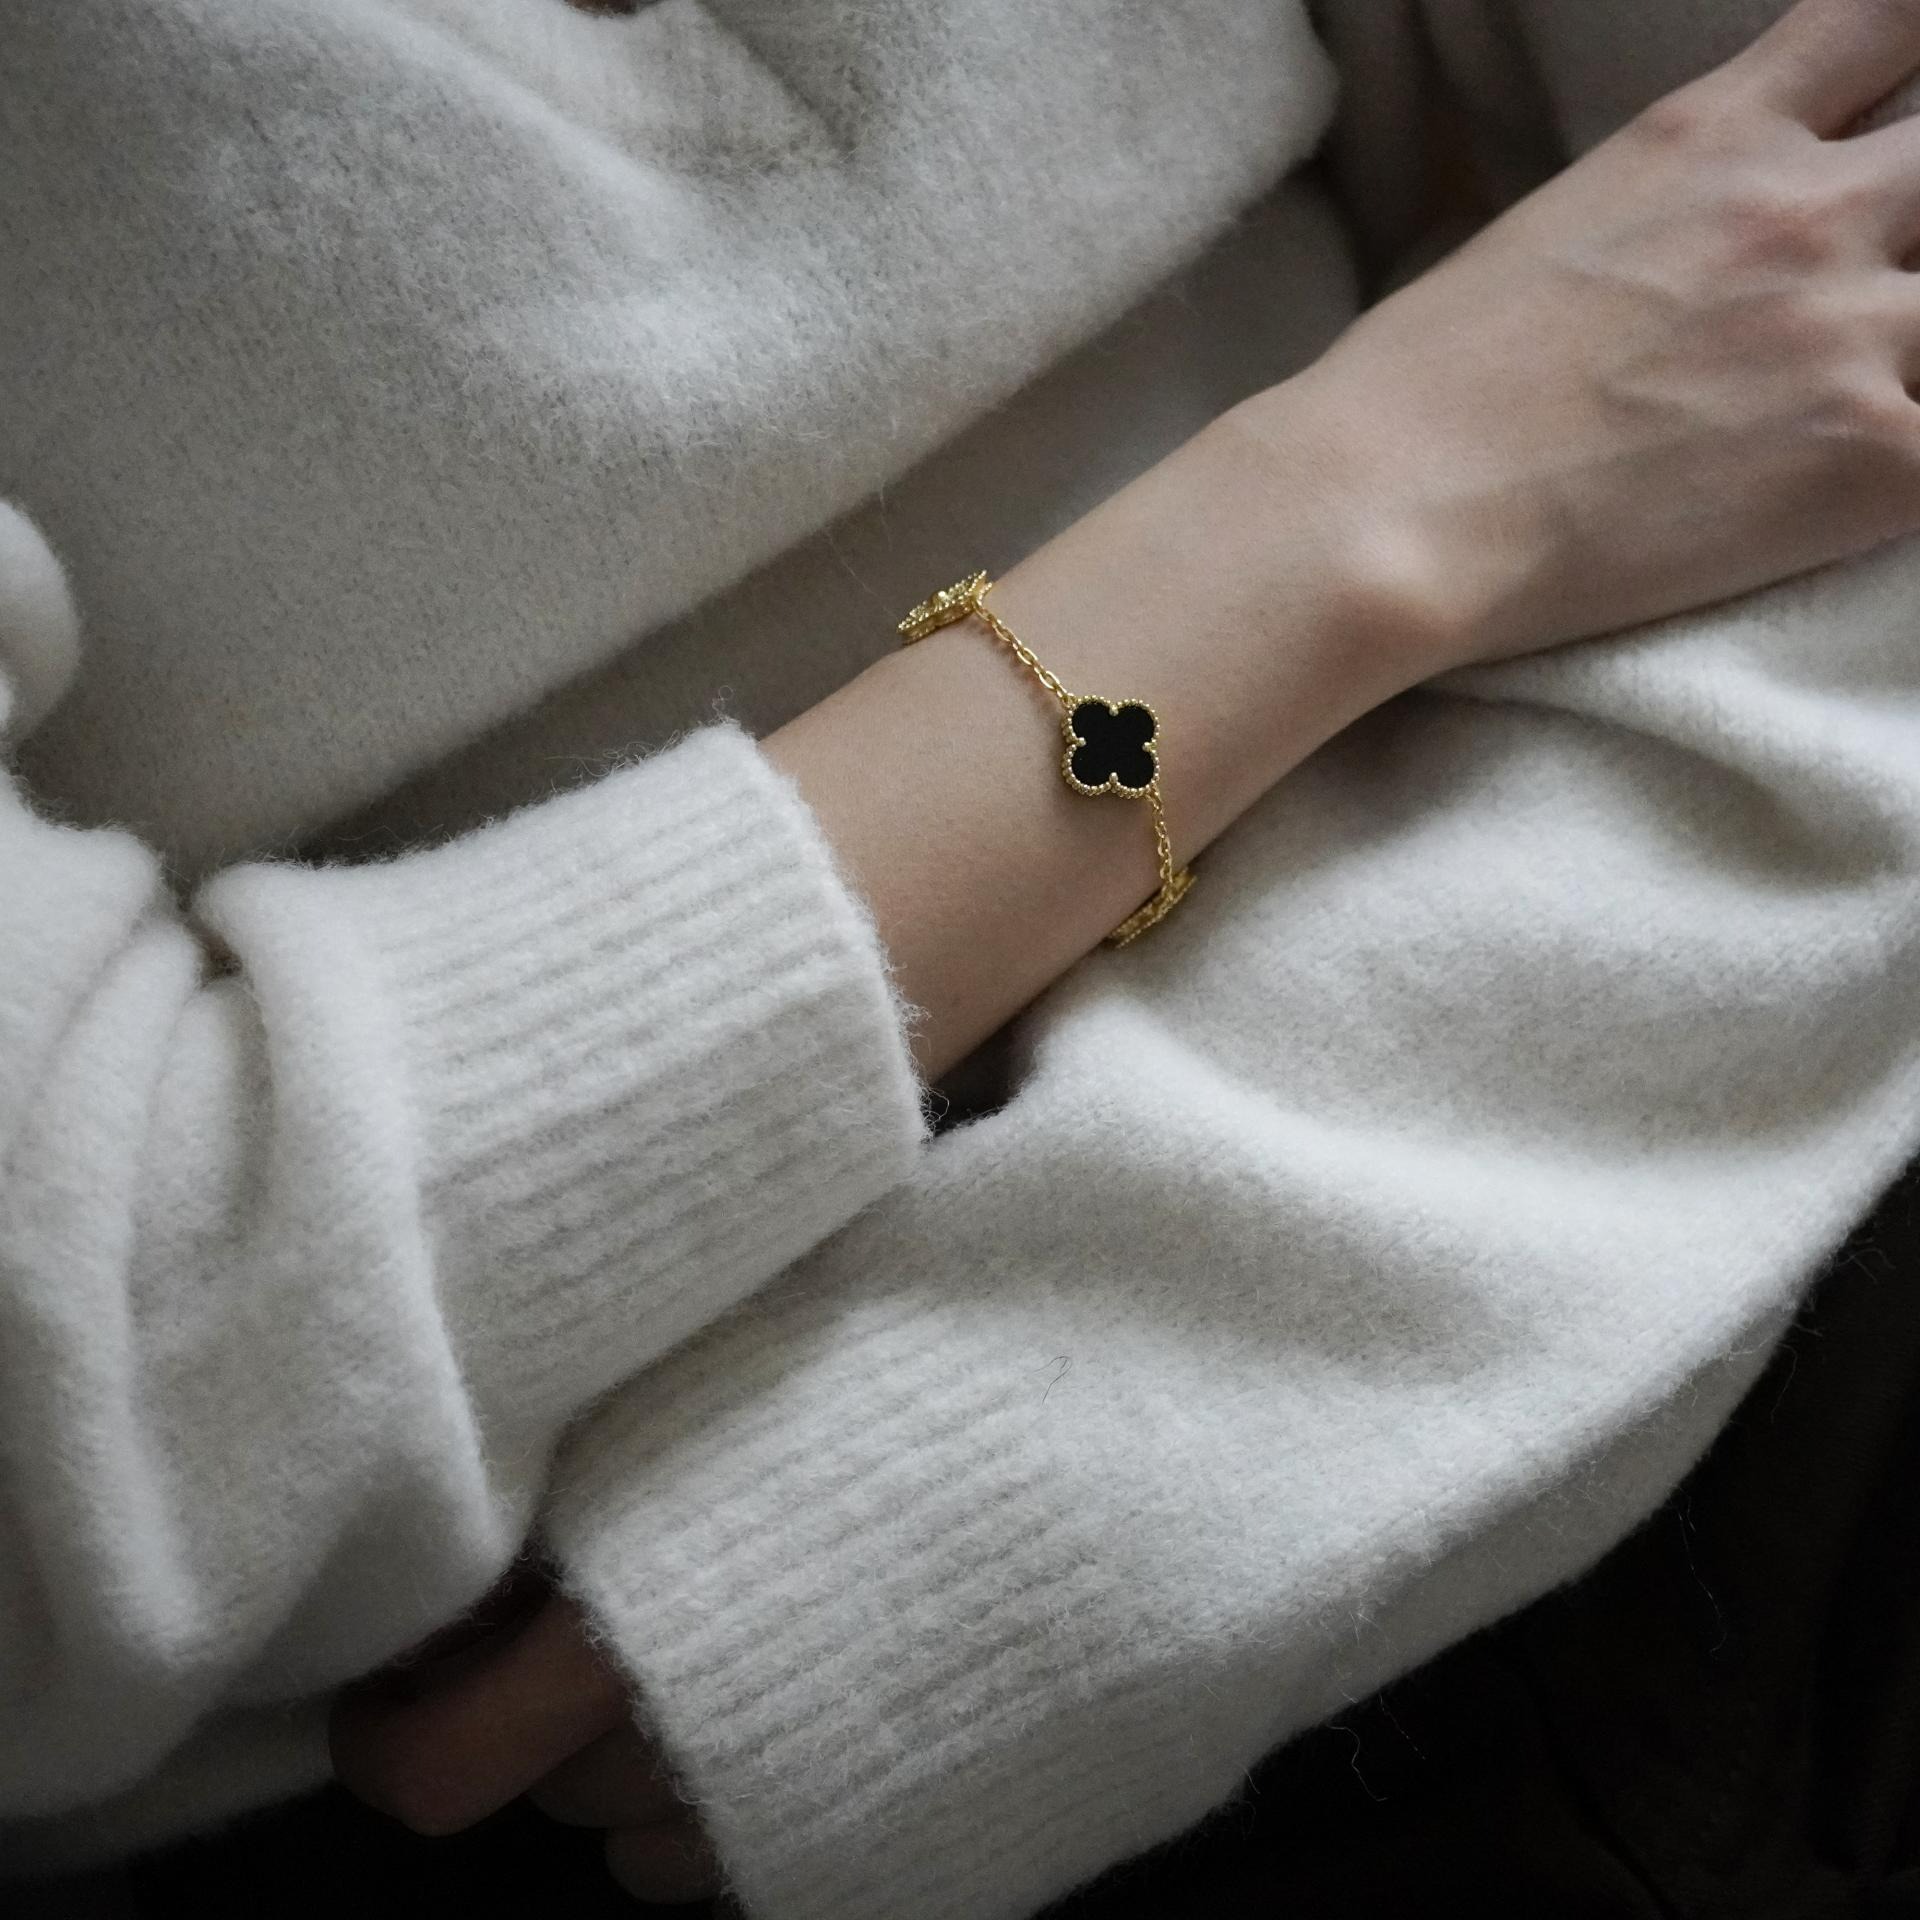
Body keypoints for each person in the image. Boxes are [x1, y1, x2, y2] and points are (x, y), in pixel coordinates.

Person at [3, 0, 1918, 1914]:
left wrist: (1066, 1413)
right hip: (576, 1698)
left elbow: (1833, 243)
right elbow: (76, 1370)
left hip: (1696, 977)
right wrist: (1355, 499)